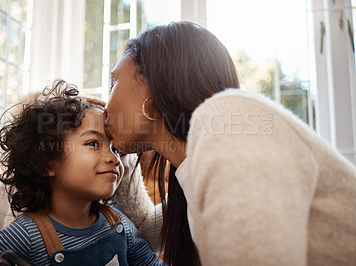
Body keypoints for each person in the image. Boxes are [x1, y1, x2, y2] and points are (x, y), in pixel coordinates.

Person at [88, 21, 356, 266]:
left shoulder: (229, 119)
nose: (106, 103)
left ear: (153, 86)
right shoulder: (195, 172)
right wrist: (113, 149)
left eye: (113, 83)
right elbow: (145, 232)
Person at [0, 80, 165, 266]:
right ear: (45, 164)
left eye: (114, 148)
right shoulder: (17, 239)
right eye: (93, 143)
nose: (114, 157)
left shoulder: (120, 225)